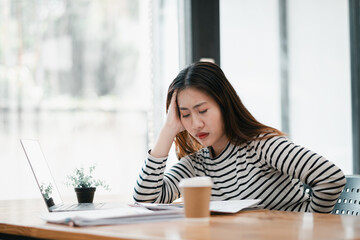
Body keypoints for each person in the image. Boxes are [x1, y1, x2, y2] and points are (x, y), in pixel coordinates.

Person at [133, 61, 346, 213]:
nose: (195, 124)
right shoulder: (196, 165)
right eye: (185, 115)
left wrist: (308, 225)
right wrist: (169, 128)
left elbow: (330, 178)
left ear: (224, 105)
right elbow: (145, 201)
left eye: (203, 110)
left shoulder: (262, 146)